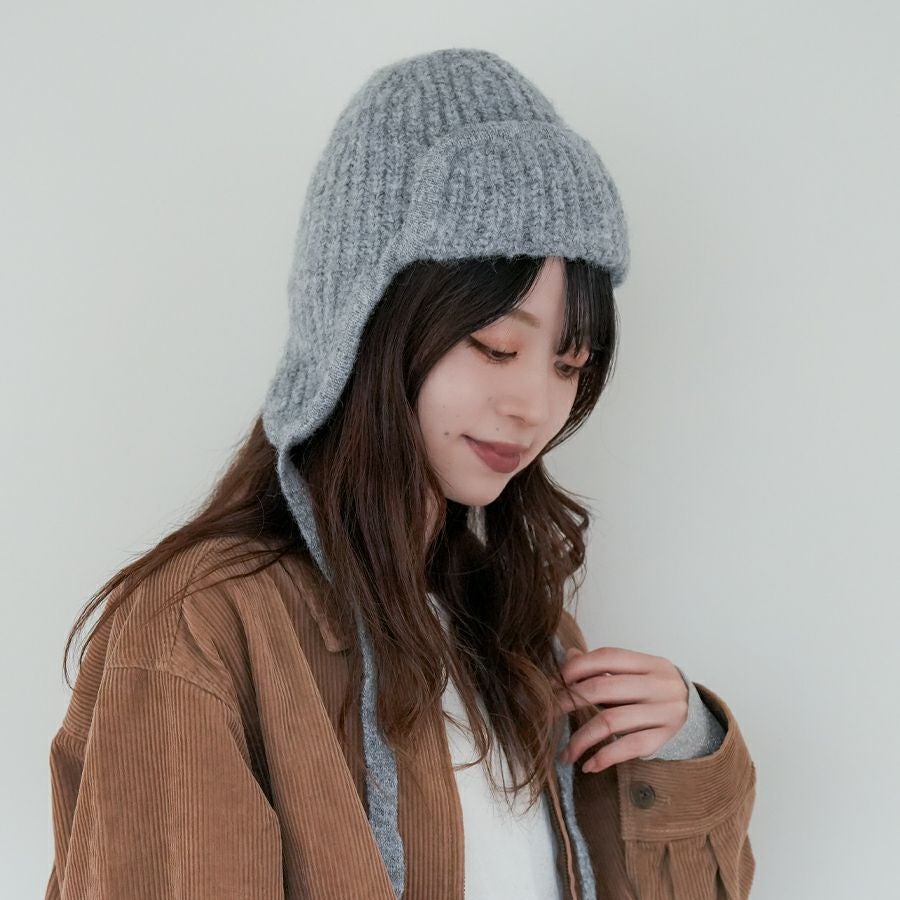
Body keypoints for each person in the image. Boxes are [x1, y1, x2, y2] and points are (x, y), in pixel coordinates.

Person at [44, 48, 756, 900]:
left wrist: (686, 747)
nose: (535, 406)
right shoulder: (202, 629)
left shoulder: (525, 639)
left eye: (569, 365)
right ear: (368, 325)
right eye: (495, 346)